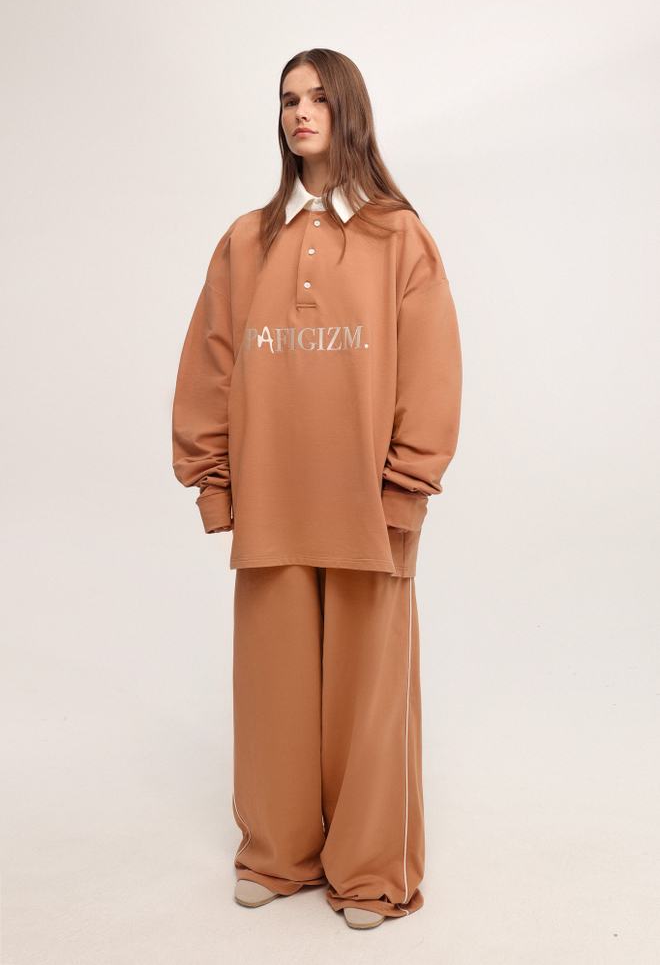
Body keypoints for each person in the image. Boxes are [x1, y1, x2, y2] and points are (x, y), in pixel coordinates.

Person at [171, 48, 462, 930]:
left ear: (349, 112)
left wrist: (405, 490)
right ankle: (279, 852)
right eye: (288, 98)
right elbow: (211, 366)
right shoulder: (246, 241)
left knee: (369, 701)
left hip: (372, 509)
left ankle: (370, 871)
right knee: (274, 693)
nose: (300, 112)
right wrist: (216, 487)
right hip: (272, 501)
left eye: (319, 98)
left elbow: (431, 372)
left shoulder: (399, 236)